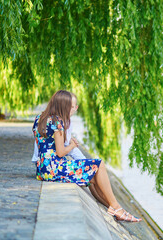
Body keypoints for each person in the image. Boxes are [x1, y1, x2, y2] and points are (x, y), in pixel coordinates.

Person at [32, 90, 141, 222]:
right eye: (69, 106)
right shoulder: (57, 121)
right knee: (98, 164)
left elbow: (43, 148)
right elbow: (60, 152)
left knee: (94, 176)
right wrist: (72, 145)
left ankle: (114, 208)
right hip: (55, 169)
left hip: (42, 170)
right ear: (63, 105)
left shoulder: (39, 119)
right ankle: (117, 208)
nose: (71, 110)